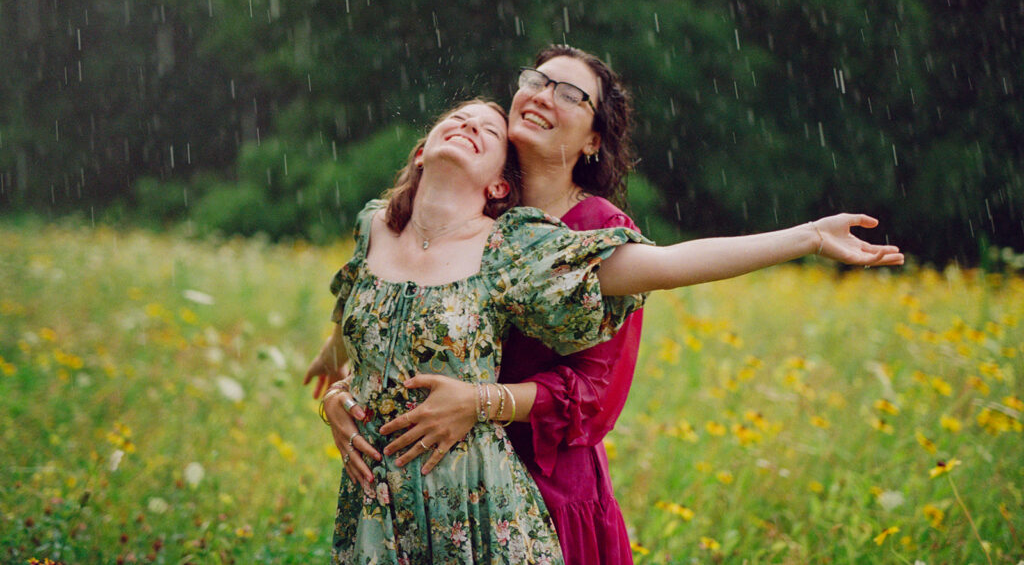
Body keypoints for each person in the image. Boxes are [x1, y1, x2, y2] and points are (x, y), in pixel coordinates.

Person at [306, 91, 902, 564]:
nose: (470, 126)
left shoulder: (512, 249)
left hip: (473, 504)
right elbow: (359, 304)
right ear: (420, 151)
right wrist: (338, 385)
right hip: (374, 507)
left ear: (498, 187)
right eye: (456, 119)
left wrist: (806, 238)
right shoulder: (374, 227)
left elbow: (665, 266)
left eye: (488, 131)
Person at [310, 45, 647, 565]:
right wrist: (342, 395)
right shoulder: (466, 209)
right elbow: (405, 333)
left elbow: (596, 398)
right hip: (429, 481)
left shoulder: (600, 232)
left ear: (594, 140)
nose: (542, 96)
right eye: (536, 80)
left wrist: (479, 402)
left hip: (547, 486)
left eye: (570, 94)